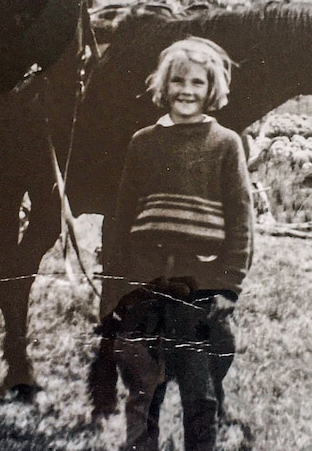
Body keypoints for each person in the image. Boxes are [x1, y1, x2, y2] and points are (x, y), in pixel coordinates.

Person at [107, 36, 253, 451]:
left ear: (212, 91)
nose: (186, 91)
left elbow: (241, 218)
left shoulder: (225, 143)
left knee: (199, 391)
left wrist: (230, 282)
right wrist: (117, 284)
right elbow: (122, 216)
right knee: (142, 386)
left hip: (200, 282)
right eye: (178, 81)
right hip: (146, 278)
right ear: (164, 85)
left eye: (197, 83)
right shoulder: (143, 142)